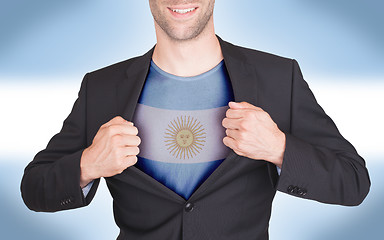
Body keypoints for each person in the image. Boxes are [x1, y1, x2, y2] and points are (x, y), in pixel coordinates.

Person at [21, 0, 370, 239]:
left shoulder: (279, 78)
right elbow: (34, 188)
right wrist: (87, 165)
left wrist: (280, 148)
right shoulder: (101, 87)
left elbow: (353, 181)